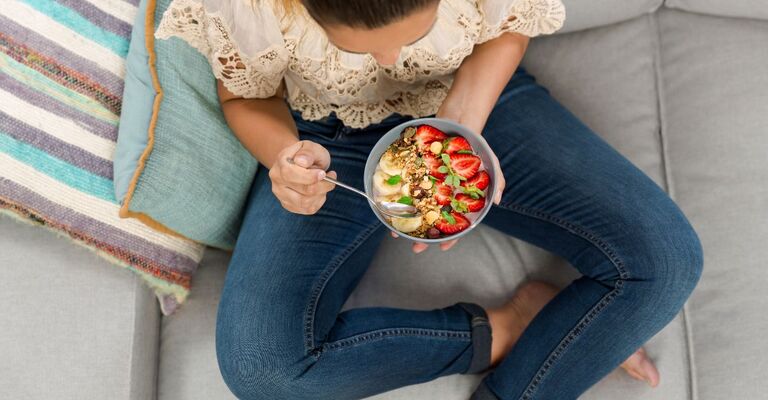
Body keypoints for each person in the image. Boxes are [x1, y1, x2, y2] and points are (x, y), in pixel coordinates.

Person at [155, 0, 704, 398]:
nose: (393, 58)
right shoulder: (244, 8)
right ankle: (513, 326)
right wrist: (285, 159)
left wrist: (461, 125)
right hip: (329, 137)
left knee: (666, 259)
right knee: (262, 370)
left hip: (474, 96)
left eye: (413, 34)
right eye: (366, 47)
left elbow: (508, 27)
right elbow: (246, 96)